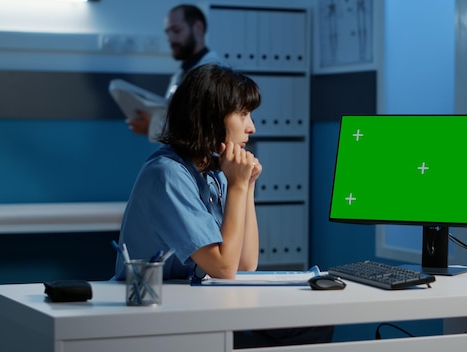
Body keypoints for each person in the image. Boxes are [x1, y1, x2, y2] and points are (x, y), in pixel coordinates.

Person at [114, 64, 333, 348]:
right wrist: (238, 186)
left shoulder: (215, 170)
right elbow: (225, 269)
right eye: (242, 114)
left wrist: (248, 185)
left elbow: (246, 263)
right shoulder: (167, 173)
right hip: (157, 315)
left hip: (194, 303)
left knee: (314, 323)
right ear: (211, 118)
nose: (251, 127)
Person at [128, 4, 225, 142]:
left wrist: (153, 127)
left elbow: (206, 128)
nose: (171, 39)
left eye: (176, 31)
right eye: (168, 32)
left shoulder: (214, 71)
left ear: (198, 27)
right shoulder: (183, 72)